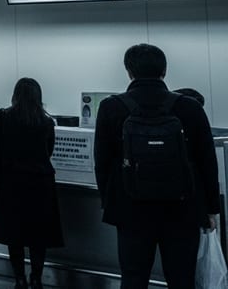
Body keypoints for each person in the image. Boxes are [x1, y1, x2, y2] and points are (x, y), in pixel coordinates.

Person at [94, 44, 220, 288]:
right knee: (182, 278)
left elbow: (102, 161)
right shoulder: (189, 107)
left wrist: (110, 202)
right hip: (182, 209)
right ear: (164, 71)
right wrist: (211, 208)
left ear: (129, 71)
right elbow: (207, 161)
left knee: (133, 277)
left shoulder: (112, 107)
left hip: (131, 210)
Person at [0, 78, 63, 289]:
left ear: (15, 95)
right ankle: (36, 278)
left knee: (14, 234)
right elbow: (48, 151)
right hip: (40, 184)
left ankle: (19, 278)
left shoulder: (3, 116)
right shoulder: (46, 121)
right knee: (38, 235)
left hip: (11, 183)